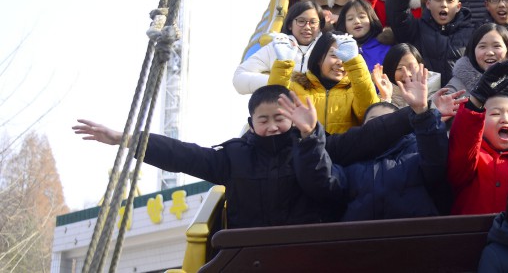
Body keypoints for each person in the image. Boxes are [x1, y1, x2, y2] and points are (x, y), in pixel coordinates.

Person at [72, 85, 423, 229]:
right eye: (263, 120)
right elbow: (183, 156)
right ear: (252, 123)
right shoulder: (233, 157)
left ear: (295, 117)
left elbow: (371, 135)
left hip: (310, 251)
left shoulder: (322, 145)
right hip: (252, 253)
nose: (272, 127)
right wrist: (127, 140)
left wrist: (415, 113)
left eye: (280, 118)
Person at [290, 61, 449, 221]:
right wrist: (309, 137)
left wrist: (422, 112)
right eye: (373, 121)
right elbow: (322, 183)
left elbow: (435, 159)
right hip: (361, 239)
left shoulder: (414, 151)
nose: (381, 125)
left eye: (387, 119)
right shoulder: (351, 165)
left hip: (414, 235)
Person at [447, 61, 508, 215]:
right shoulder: (472, 157)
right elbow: (463, 142)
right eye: (495, 114)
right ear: (480, 121)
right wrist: (476, 101)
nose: (505, 119)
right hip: (473, 235)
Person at [287, 31, 380, 133]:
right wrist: (283, 64)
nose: (340, 62)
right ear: (319, 58)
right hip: (307, 147)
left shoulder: (356, 90)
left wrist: (354, 62)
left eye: (346, 57)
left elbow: (370, 112)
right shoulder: (297, 87)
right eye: (334, 55)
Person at [232, 0, 325, 95]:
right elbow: (239, 78)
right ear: (289, 25)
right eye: (301, 21)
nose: (307, 27)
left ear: (320, 26)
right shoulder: (277, 46)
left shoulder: (327, 49)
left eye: (313, 22)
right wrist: (277, 82)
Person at [446, 23, 508, 103]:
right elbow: (440, 110)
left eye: (497, 46)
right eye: (482, 46)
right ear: (473, 52)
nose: (490, 53)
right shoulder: (458, 84)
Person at [334, 0, 393, 72]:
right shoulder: (337, 50)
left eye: (362, 17)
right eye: (350, 19)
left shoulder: (387, 47)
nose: (356, 21)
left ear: (371, 19)